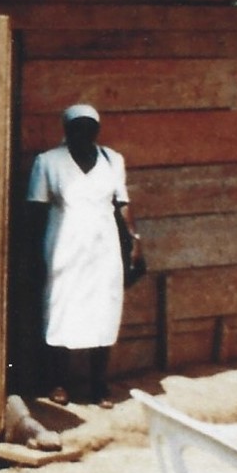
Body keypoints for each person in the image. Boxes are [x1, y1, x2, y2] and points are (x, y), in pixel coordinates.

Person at [24, 103, 144, 407]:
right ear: (67, 130)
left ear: (97, 130)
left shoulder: (112, 160)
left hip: (104, 247)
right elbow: (35, 210)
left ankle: (99, 385)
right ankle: (58, 382)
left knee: (104, 309)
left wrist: (134, 240)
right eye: (77, 128)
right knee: (62, 308)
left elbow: (122, 203)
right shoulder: (48, 162)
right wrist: (34, 254)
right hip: (64, 244)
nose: (84, 134)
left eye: (90, 128)